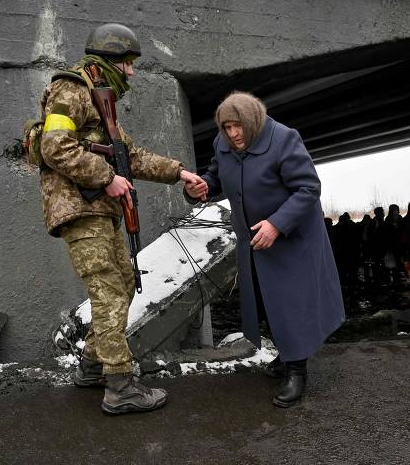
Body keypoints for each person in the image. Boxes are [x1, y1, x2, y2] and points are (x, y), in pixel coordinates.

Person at [38, 23, 204, 415]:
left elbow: (133, 156)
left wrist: (179, 172)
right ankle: (120, 386)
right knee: (109, 291)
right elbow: (53, 147)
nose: (131, 73)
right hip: (81, 209)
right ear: (108, 62)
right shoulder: (70, 90)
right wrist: (106, 177)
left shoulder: (102, 105)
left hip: (100, 210)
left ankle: (94, 365)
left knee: (124, 284)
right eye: (128, 65)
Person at [184, 91, 345, 408]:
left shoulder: (284, 139)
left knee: (291, 303)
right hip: (255, 240)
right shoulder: (223, 144)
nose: (232, 134)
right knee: (268, 301)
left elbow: (308, 187)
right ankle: (286, 354)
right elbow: (216, 177)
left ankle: (297, 369)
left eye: (238, 127)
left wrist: (276, 224)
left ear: (253, 121)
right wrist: (200, 187)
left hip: (291, 238)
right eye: (226, 127)